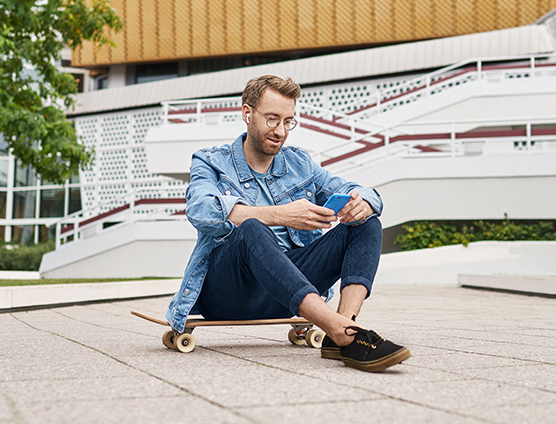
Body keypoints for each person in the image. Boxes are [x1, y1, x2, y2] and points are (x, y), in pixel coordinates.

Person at [165, 75, 410, 372]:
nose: (280, 131)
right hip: (231, 291)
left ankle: (344, 331)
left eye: (288, 121)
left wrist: (365, 202)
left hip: (286, 295)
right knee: (253, 228)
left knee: (367, 222)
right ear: (247, 114)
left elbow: (357, 189)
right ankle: (338, 328)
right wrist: (280, 214)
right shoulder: (210, 161)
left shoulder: (299, 163)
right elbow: (201, 210)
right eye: (271, 119)